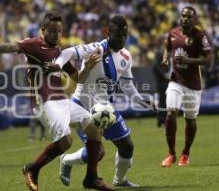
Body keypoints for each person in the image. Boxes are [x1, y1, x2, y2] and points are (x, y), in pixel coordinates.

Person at [0, 12, 113, 191]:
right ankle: (32, 168)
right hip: (44, 101)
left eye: (59, 31)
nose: (57, 35)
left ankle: (91, 178)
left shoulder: (59, 52)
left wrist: (89, 67)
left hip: (61, 100)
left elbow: (78, 79)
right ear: (43, 30)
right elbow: (11, 47)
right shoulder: (34, 44)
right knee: (66, 142)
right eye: (53, 31)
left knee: (94, 129)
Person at [55, 15, 152, 188]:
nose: (122, 39)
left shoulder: (126, 56)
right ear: (108, 32)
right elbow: (67, 52)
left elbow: (127, 85)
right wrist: (57, 66)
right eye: (118, 35)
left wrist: (140, 100)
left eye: (125, 35)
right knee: (97, 152)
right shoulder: (96, 49)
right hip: (83, 107)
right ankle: (67, 161)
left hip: (106, 108)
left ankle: (120, 180)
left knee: (127, 146)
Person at [161, 6, 212, 167]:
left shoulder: (200, 36)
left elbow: (207, 59)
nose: (185, 19)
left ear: (194, 19)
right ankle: (171, 154)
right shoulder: (173, 33)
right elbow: (167, 47)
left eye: (189, 16)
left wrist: (189, 61)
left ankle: (186, 153)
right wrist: (165, 59)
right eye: (183, 16)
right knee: (171, 113)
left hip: (193, 84)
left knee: (190, 120)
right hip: (176, 80)